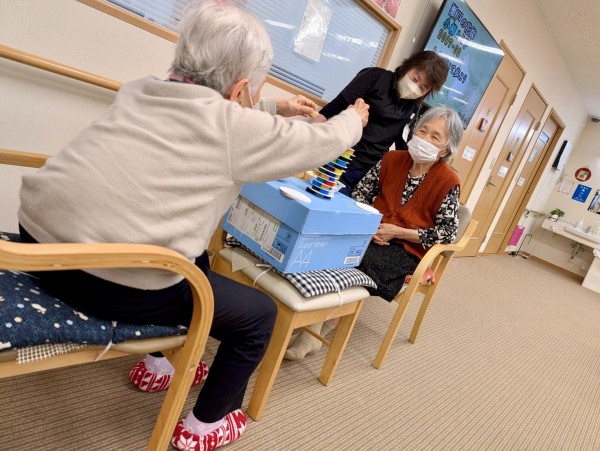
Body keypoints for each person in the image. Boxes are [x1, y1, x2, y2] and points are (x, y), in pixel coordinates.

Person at [17, 2, 369, 450]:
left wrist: (274, 105)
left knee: (195, 252)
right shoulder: (232, 128)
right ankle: (206, 424)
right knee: (258, 317)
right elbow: (321, 141)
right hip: (112, 284)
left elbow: (211, 110)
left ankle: (162, 363)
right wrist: (354, 119)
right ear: (240, 88)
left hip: (37, 247)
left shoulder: (141, 90)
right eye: (252, 92)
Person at [285, 106, 462, 360]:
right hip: (371, 232)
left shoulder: (448, 181)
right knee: (331, 248)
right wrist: (369, 227)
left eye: (435, 137)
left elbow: (447, 233)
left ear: (445, 149)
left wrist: (398, 232)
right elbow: (360, 194)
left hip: (405, 248)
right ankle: (315, 326)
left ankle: (316, 328)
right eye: (422, 130)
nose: (425, 138)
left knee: (359, 262)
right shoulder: (392, 159)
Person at [315, 50, 449, 196]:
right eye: (415, 79)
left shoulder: (413, 107)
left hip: (370, 173)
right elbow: (334, 107)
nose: (415, 87)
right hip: (339, 158)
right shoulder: (376, 77)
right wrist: (310, 138)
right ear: (408, 66)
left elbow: (404, 144)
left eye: (422, 88)